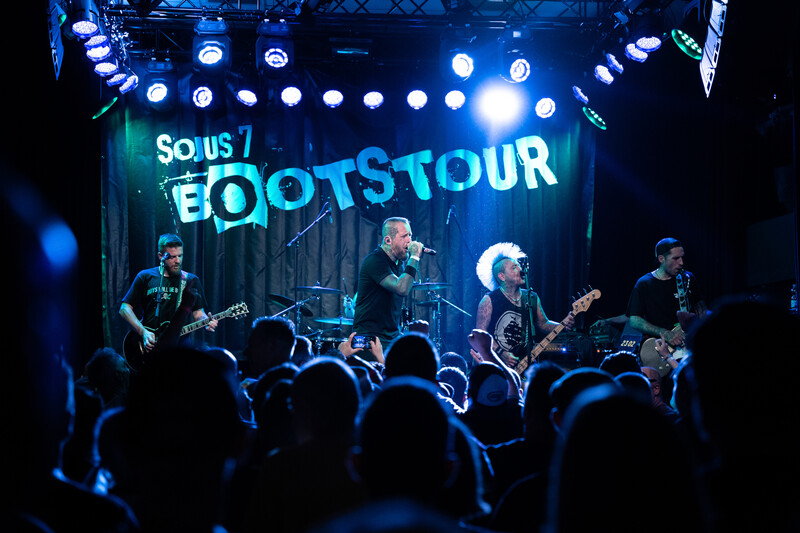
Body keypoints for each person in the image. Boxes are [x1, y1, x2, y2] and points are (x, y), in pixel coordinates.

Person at [119, 233, 217, 360]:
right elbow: (124, 309)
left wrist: (206, 321)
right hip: (147, 347)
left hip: (179, 349)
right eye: (172, 257)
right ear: (161, 256)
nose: (178, 261)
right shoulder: (145, 277)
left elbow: (198, 313)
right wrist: (143, 332)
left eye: (180, 256)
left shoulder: (190, 280)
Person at [475, 242, 574, 367]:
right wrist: (501, 353)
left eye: (518, 266)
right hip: (497, 363)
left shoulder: (531, 297)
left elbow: (543, 324)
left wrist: (562, 325)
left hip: (524, 362)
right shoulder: (489, 300)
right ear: (502, 276)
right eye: (514, 268)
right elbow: (480, 334)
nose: (520, 270)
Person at [352, 217, 427, 355]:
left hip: (389, 338)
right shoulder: (375, 260)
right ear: (388, 240)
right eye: (404, 236)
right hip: (367, 340)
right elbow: (402, 288)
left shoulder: (398, 265)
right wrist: (414, 257)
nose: (410, 241)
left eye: (410, 235)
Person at [627, 237, 708, 349]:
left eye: (682, 257)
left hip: (687, 345)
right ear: (661, 259)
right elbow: (634, 320)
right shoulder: (644, 284)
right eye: (676, 258)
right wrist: (665, 333)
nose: (681, 262)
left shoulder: (688, 278)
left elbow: (701, 309)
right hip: (660, 347)